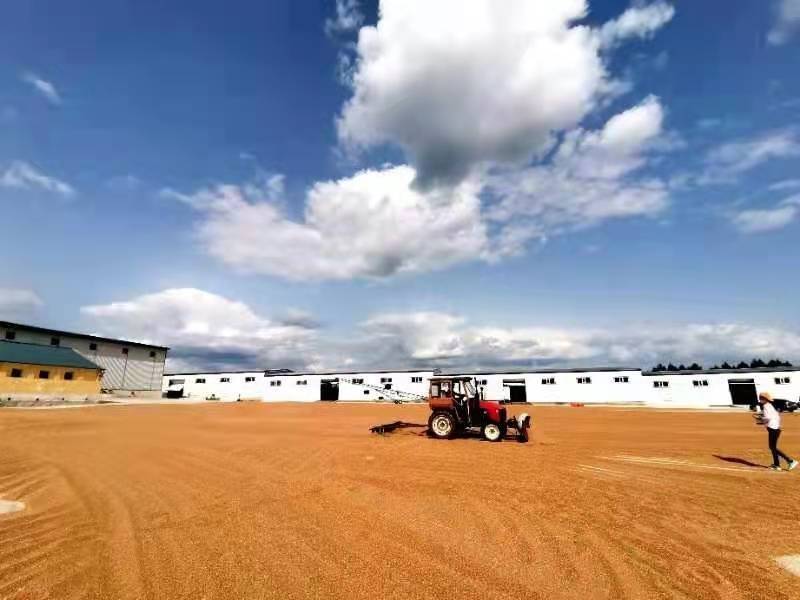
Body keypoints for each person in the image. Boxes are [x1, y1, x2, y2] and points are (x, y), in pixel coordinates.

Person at [757, 392, 798, 471]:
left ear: (765, 399)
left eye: (761, 398)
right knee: (773, 447)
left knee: (773, 447)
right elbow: (776, 417)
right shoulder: (770, 406)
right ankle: (777, 465)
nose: (760, 399)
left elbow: (767, 418)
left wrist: (761, 420)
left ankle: (790, 461)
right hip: (776, 429)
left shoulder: (765, 406)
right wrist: (764, 420)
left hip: (773, 429)